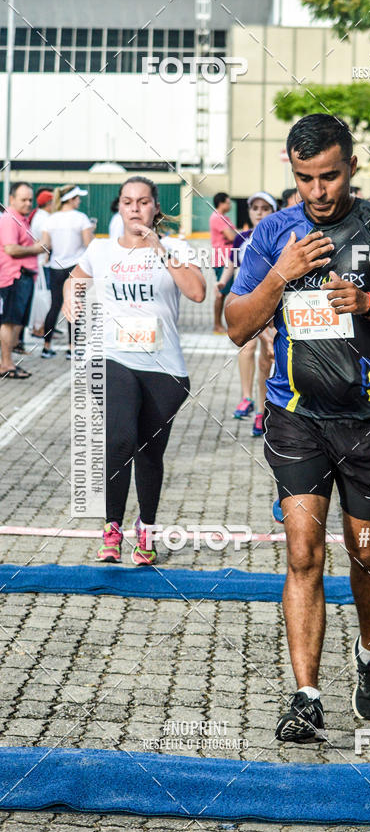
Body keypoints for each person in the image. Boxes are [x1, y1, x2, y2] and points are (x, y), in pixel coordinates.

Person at [225, 113, 370, 742]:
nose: (317, 192)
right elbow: (237, 325)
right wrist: (280, 275)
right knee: (302, 552)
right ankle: (306, 695)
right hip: (296, 420)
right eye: (304, 180)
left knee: (367, 552)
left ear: (351, 168)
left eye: (329, 177)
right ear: (291, 173)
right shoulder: (273, 233)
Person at [63, 176, 206, 565]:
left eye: (143, 202)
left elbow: (197, 292)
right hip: (113, 358)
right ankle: (111, 528)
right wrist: (69, 299)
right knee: (120, 439)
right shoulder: (101, 249)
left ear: (155, 208)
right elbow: (75, 278)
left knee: (149, 452)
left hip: (165, 367)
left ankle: (147, 528)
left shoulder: (175, 247)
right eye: (127, 202)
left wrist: (158, 248)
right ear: (119, 208)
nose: (135, 209)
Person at [216, 191, 277, 435]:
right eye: (255, 208)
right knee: (247, 346)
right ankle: (246, 397)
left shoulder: (279, 238)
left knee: (266, 358)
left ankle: (262, 411)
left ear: (274, 212)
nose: (259, 212)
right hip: (244, 302)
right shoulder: (242, 238)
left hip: (270, 304)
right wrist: (222, 282)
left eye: (265, 208)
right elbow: (231, 263)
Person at [40, 185, 95, 360]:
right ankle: (72, 348)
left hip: (56, 267)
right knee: (75, 306)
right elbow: (89, 244)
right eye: (77, 198)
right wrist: (92, 230)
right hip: (75, 267)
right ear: (71, 199)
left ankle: (46, 346)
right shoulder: (81, 218)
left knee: (55, 306)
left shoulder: (51, 219)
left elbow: (46, 245)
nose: (79, 200)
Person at [0, 182, 47, 378]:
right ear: (12, 199)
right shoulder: (10, 219)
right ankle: (6, 364)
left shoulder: (21, 219)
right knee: (10, 321)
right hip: (14, 277)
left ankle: (8, 362)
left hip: (23, 276)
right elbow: (11, 248)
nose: (28, 203)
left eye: (30, 199)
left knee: (17, 322)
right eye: (23, 199)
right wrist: (36, 248)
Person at [209, 192, 236, 334]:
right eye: (228, 202)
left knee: (225, 292)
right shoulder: (217, 217)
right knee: (221, 292)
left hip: (228, 260)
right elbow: (232, 236)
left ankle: (220, 324)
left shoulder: (225, 218)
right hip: (222, 260)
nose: (230, 204)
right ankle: (217, 325)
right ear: (221, 203)